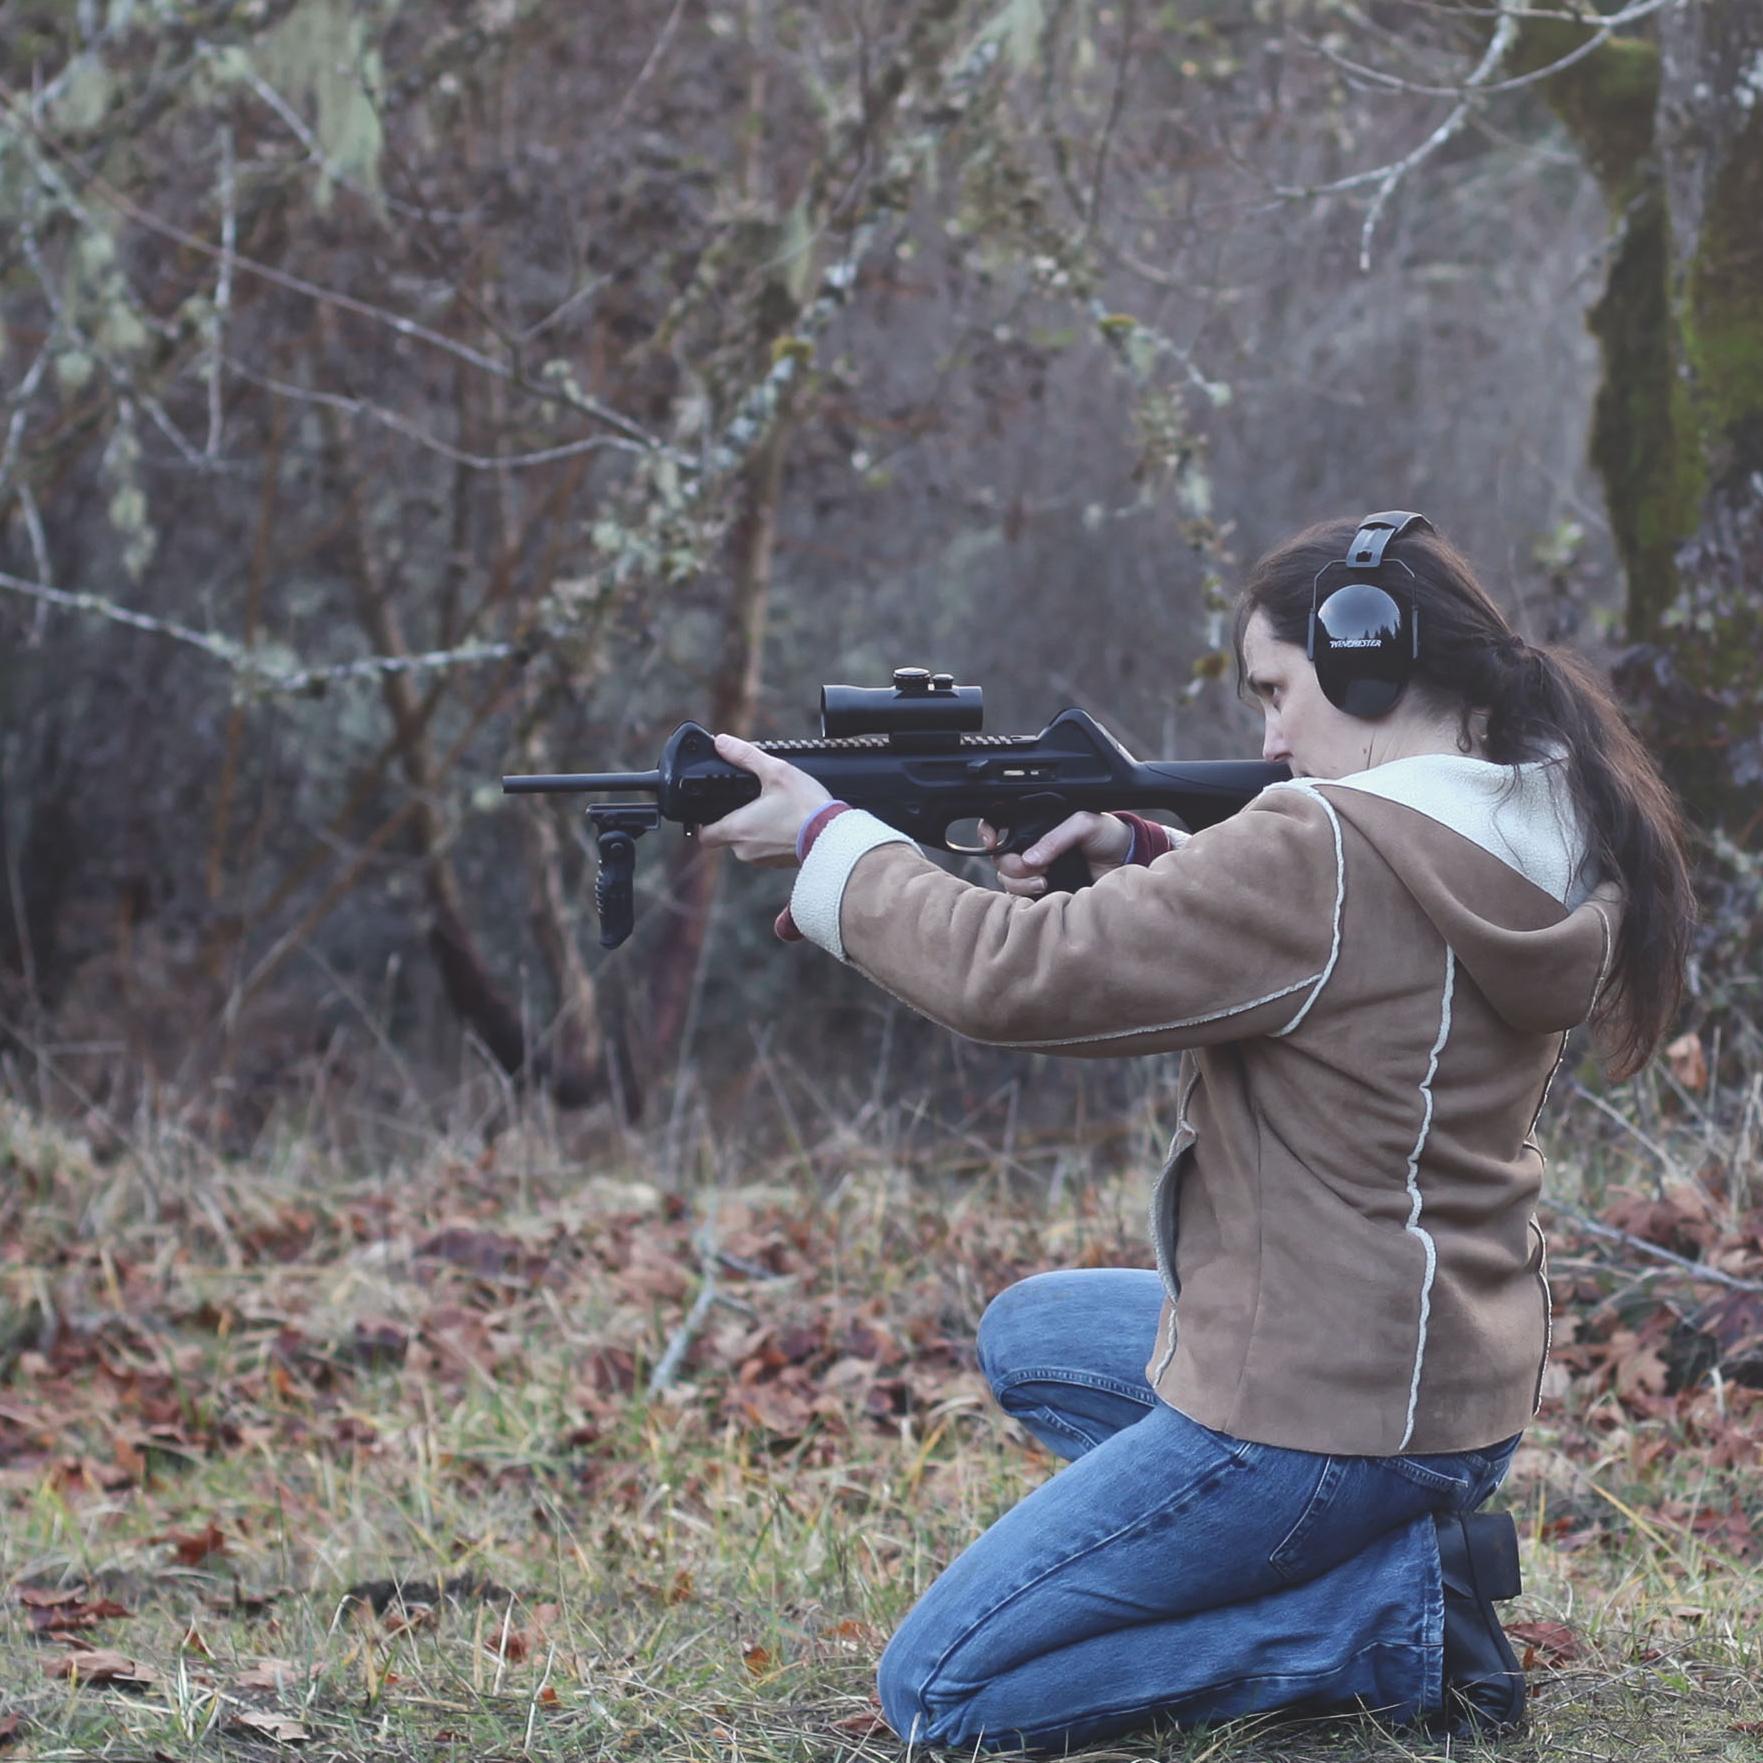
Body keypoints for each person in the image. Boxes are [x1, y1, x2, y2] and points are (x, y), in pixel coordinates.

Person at [697, 512, 1695, 1751]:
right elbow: (1337, 951)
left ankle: (1388, 1617)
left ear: (1365, 664)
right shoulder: (1533, 827)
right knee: (1034, 1331)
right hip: (1446, 1392)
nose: (1269, 735)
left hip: (1323, 1420)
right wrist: (1140, 851)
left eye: (1277, 690)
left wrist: (827, 845)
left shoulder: (1324, 846)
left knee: (939, 1689)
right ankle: (1379, 1545)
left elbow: (1013, 976)